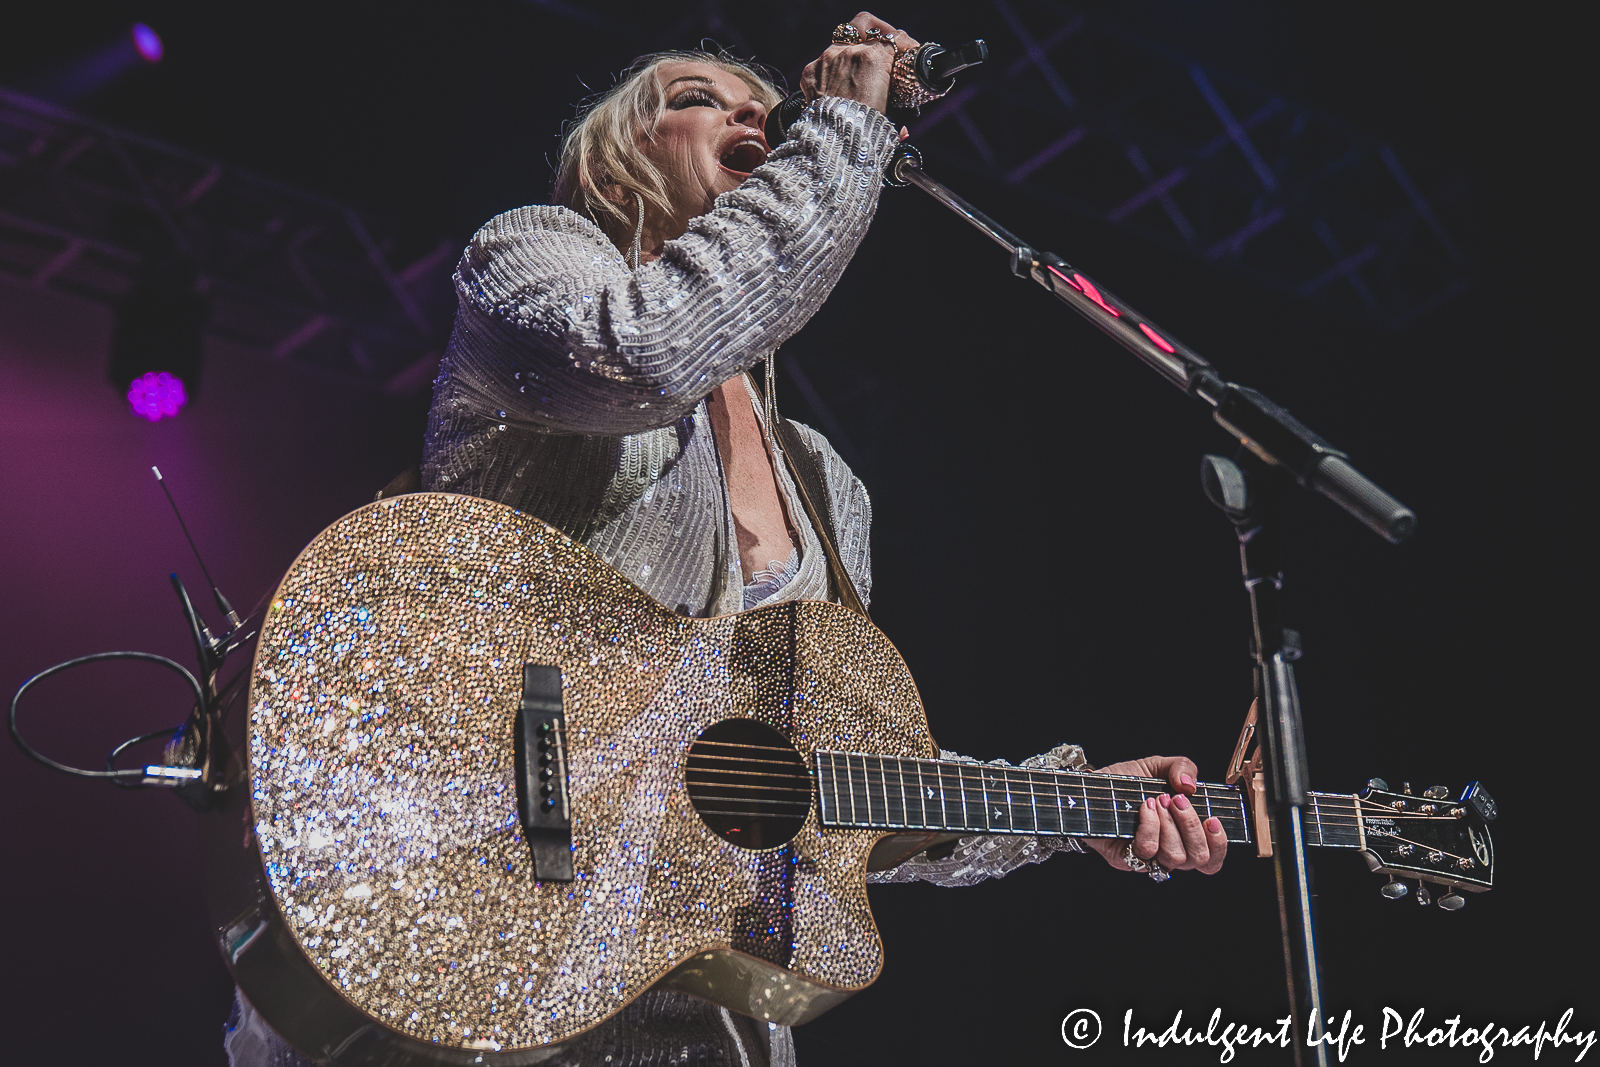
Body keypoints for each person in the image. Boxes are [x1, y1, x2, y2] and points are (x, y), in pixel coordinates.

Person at [225, 12, 1227, 1067]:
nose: (752, 110)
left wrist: (1075, 805)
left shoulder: (826, 482)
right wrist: (839, 123)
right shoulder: (527, 260)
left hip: (693, 1014)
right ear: (615, 159)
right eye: (700, 98)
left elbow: (828, 781)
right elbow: (651, 349)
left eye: (767, 106)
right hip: (467, 941)